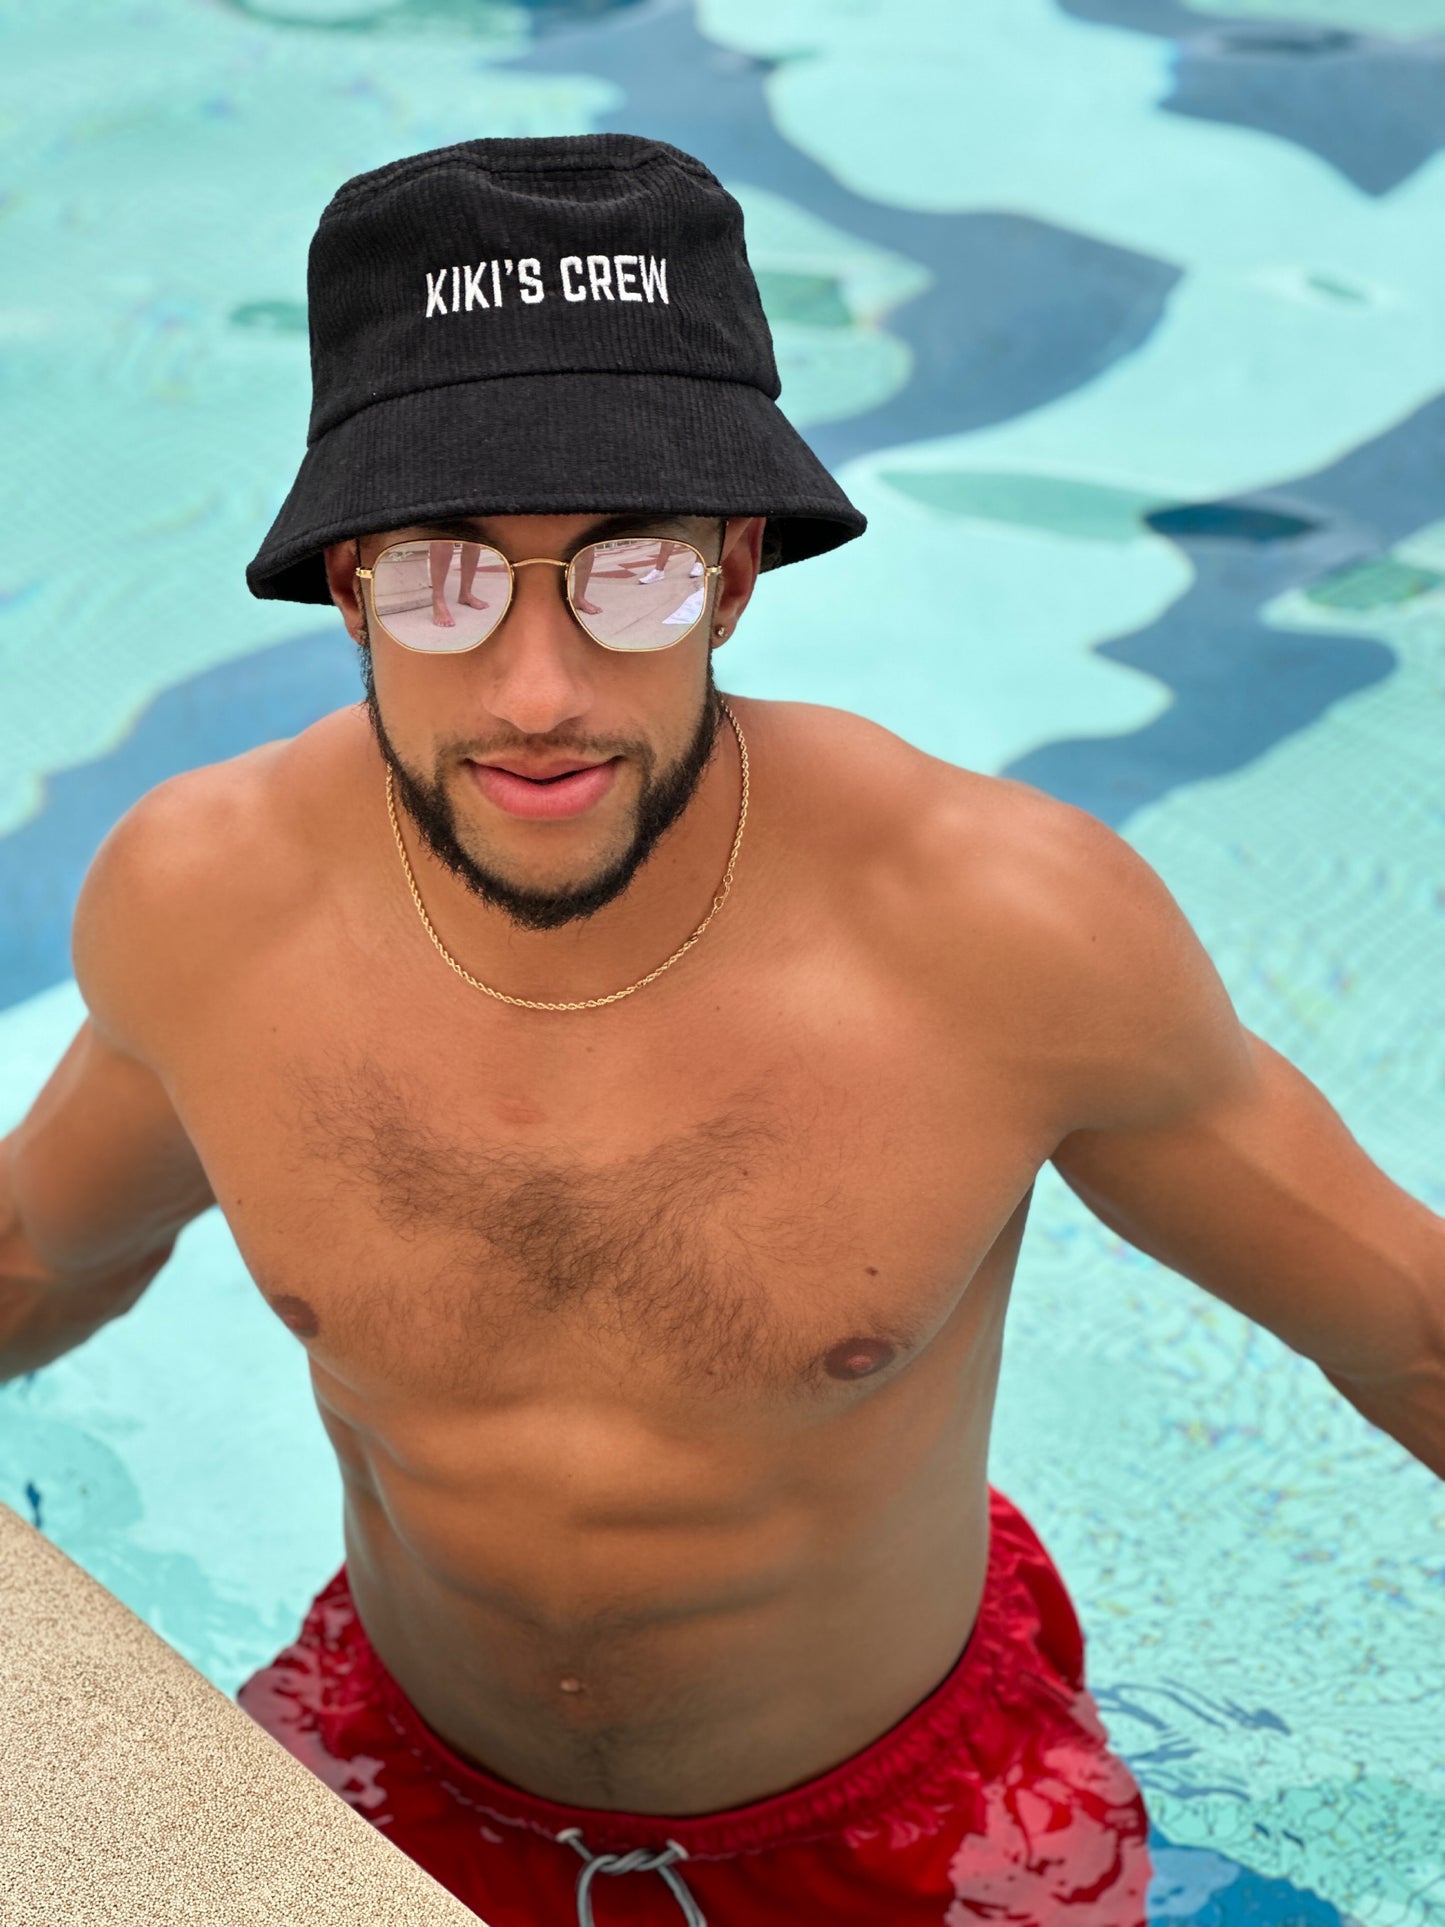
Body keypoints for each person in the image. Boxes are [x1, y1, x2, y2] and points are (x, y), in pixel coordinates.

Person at [1, 134, 1439, 1927]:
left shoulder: (999, 933)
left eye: (631, 571)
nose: (539, 691)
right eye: (449, 574)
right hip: (390, 1757)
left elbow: (1410, 1338)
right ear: (351, 577)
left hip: (919, 1813)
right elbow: (35, 1263)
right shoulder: (202, 907)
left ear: (738, 569)